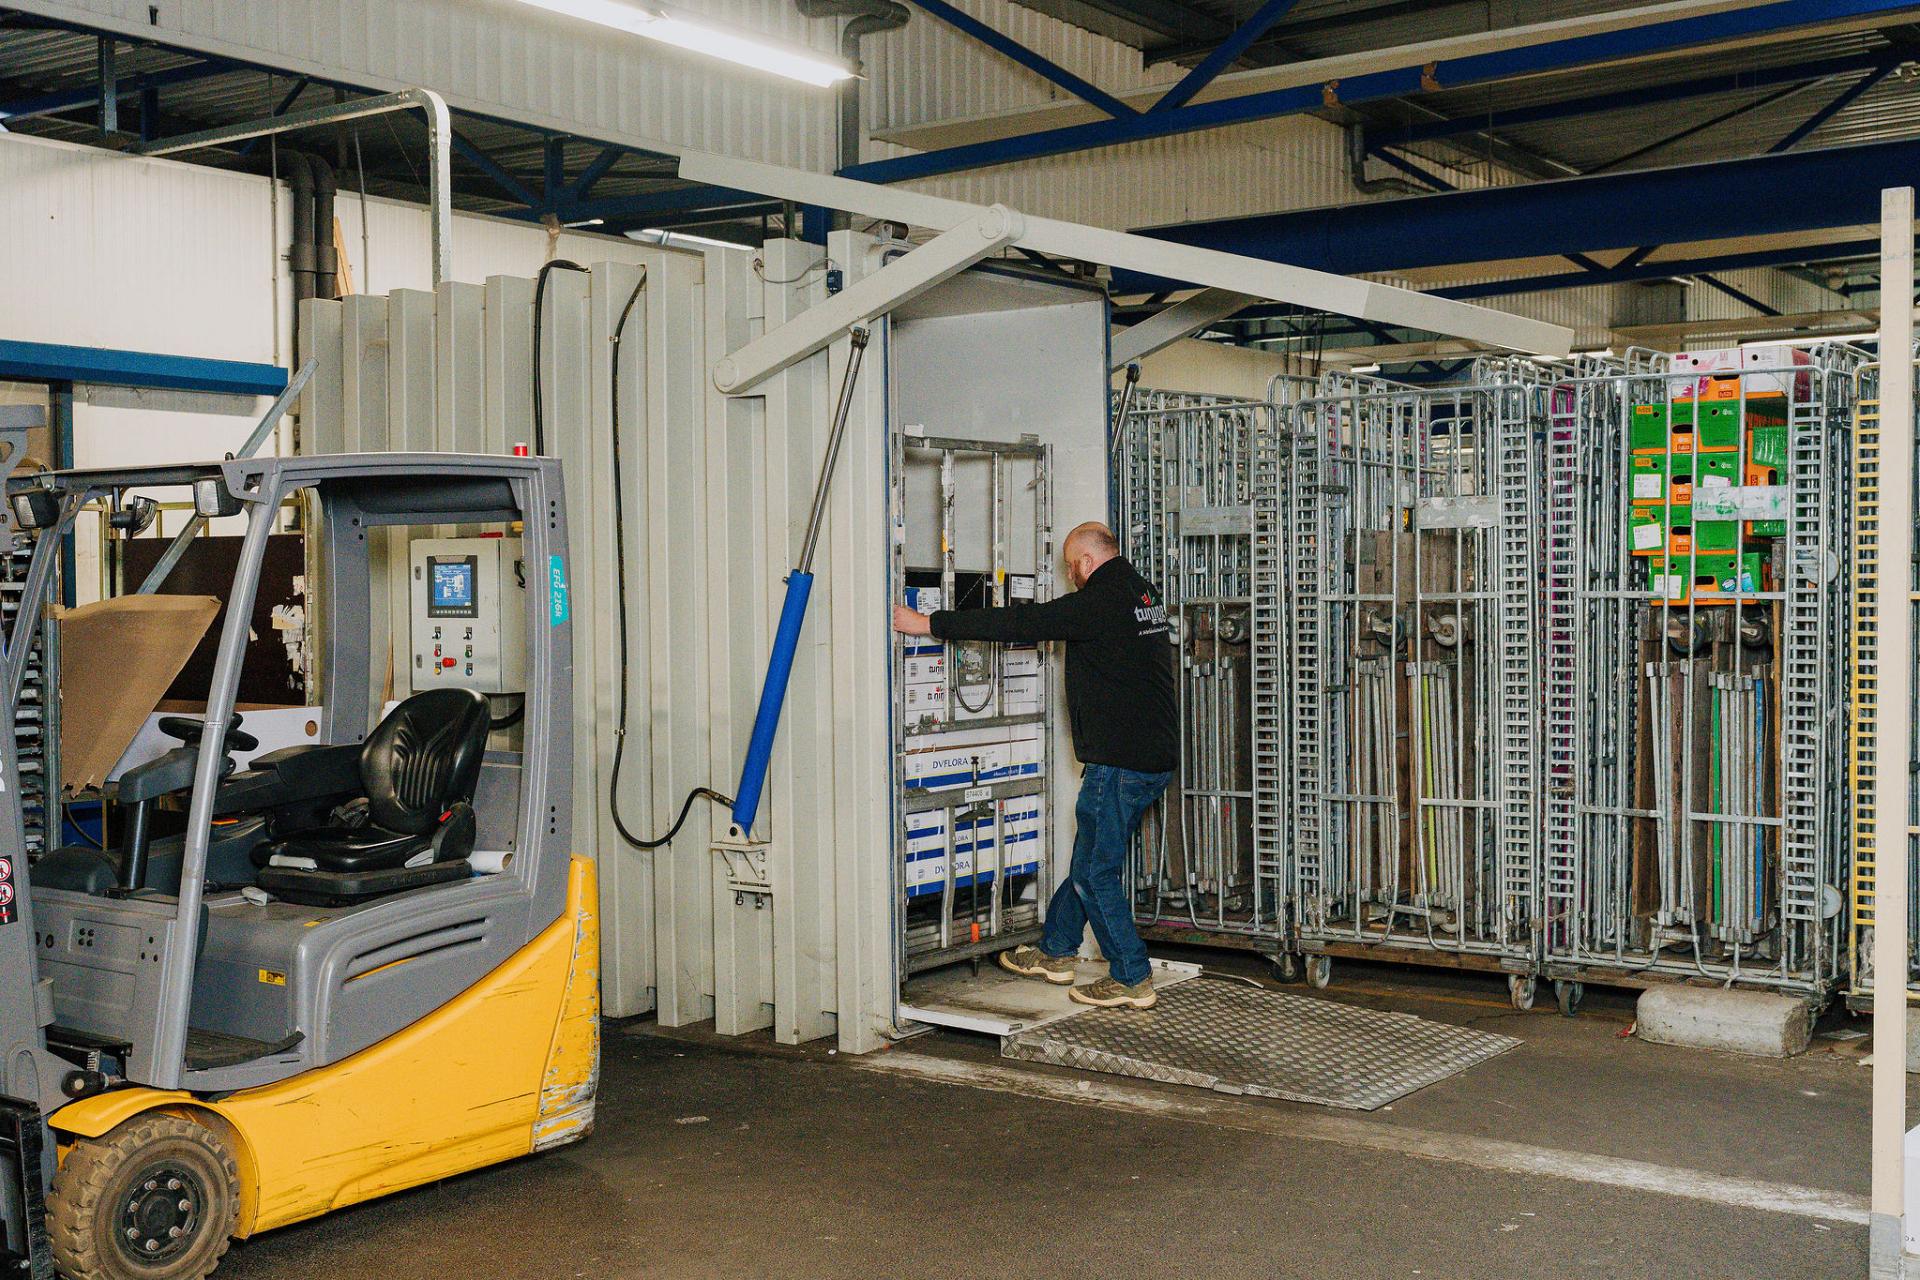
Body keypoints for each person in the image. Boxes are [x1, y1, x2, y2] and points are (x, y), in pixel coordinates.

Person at [892, 520, 1176, 1009]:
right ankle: (1056, 950)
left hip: (1119, 763)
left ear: (1086, 562)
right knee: (1088, 860)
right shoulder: (1143, 594)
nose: (1071, 575)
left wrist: (930, 624)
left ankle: (1131, 975)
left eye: (1071, 567)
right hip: (1151, 757)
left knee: (1095, 873)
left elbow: (1021, 624)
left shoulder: (1099, 601)